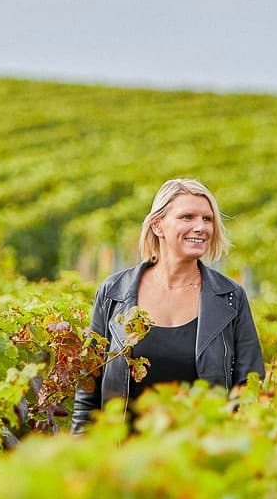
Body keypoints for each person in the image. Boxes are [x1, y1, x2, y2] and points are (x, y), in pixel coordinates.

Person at [72, 178, 266, 432]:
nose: (200, 227)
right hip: (123, 463)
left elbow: (250, 385)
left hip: (202, 461)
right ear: (157, 225)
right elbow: (88, 389)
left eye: (207, 219)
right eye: (187, 217)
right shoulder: (114, 292)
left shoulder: (230, 297)